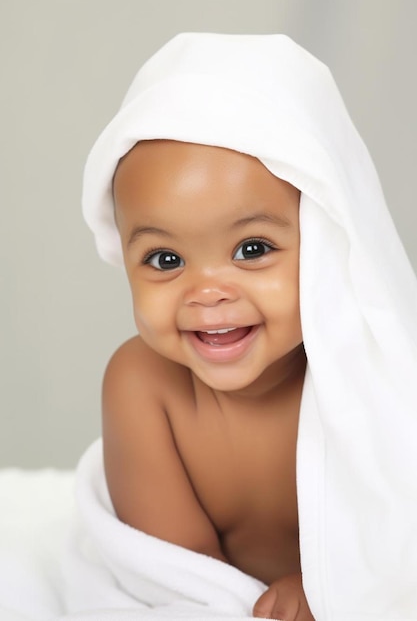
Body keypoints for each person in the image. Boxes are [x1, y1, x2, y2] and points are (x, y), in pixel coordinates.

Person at [82, 33, 417, 621]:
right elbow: (177, 581)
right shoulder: (143, 387)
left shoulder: (379, 367)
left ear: (325, 241)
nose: (208, 293)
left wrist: (334, 591)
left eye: (252, 248)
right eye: (166, 260)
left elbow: (399, 540)